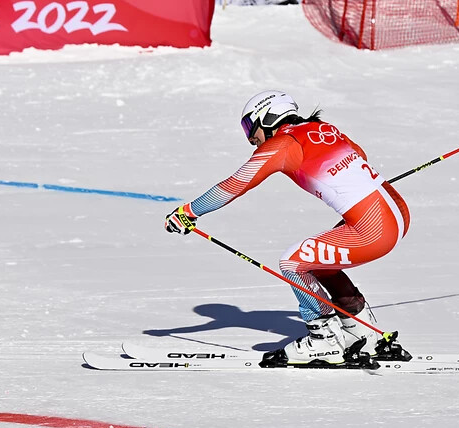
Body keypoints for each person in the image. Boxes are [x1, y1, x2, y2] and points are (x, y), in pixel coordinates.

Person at [164, 90, 410, 366]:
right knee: (317, 262)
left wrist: (188, 212)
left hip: (374, 230)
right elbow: (359, 156)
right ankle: (365, 334)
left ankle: (324, 341)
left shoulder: (282, 144)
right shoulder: (323, 128)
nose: (250, 138)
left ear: (266, 117)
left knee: (293, 262)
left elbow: (235, 184)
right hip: (396, 212)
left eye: (249, 127)